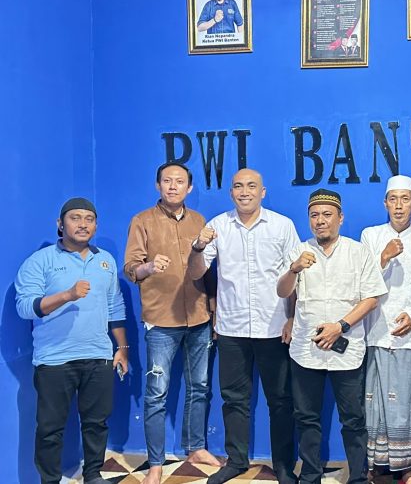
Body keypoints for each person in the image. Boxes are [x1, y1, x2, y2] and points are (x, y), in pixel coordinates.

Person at [189, 168, 299, 484]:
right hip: (232, 328)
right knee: (233, 400)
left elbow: (296, 275)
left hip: (273, 327)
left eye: (252, 186)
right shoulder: (217, 226)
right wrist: (197, 247)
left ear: (262, 192)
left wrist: (292, 317)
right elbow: (196, 273)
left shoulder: (282, 225)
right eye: (238, 186)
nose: (245, 191)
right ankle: (236, 461)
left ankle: (283, 465)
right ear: (231, 192)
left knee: (281, 401)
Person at [277, 188, 387, 484]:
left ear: (340, 218)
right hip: (306, 349)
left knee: (353, 419)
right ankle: (310, 475)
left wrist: (341, 325)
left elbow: (371, 298)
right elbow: (283, 292)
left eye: (327, 215)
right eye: (314, 215)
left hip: (346, 349)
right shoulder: (299, 251)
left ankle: (358, 478)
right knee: (306, 417)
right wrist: (293, 269)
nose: (320, 221)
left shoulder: (357, 252)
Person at [15, 197, 128, 484]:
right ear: (60, 224)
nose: (83, 224)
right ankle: (50, 480)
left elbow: (115, 307)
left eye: (89, 219)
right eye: (75, 218)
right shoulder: (40, 261)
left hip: (99, 356)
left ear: (96, 225)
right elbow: (25, 307)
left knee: (96, 423)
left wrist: (122, 348)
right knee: (50, 429)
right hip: (55, 359)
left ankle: (93, 474)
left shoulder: (105, 261)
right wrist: (67, 295)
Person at [124, 163, 220, 484]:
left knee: (200, 387)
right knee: (156, 393)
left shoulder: (199, 221)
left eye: (180, 181)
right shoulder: (142, 221)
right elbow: (131, 268)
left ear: (189, 188)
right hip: (161, 319)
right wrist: (149, 267)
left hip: (199, 317)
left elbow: (207, 270)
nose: (173, 186)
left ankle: (196, 448)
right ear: (158, 185)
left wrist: (213, 309)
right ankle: (155, 463)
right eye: (167, 181)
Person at [359, 176, 411, 484]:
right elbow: (361, 281)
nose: (399, 206)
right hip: (376, 331)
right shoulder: (371, 235)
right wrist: (383, 257)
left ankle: (406, 469)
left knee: (408, 403)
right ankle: (372, 465)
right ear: (385, 203)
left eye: (405, 199)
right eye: (393, 199)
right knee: (374, 401)